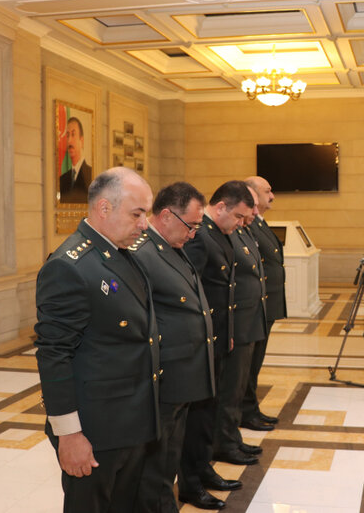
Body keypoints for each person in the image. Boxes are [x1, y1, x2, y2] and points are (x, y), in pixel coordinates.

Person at [34, 167, 159, 513]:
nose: (144, 224)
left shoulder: (120, 255)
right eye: (137, 214)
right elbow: (54, 354)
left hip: (130, 421)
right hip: (95, 430)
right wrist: (69, 435)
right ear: (104, 209)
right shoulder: (70, 266)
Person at [129, 182, 223, 512]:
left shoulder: (171, 246)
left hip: (183, 376)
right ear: (167, 216)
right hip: (165, 376)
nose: (195, 233)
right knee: (156, 464)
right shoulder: (142, 253)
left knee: (170, 456)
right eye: (192, 225)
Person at [178, 181, 255, 504]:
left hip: (220, 337)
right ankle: (191, 480)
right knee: (197, 415)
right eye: (237, 216)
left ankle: (203, 467)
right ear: (220, 206)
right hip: (202, 342)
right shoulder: (201, 237)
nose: (240, 224)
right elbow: (188, 290)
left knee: (209, 410)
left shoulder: (218, 234)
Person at [218, 185, 270, 460]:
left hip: (249, 320)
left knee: (239, 385)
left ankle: (232, 437)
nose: (251, 212)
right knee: (229, 389)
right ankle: (225, 441)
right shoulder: (220, 233)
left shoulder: (241, 230)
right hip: (235, 323)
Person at [242, 176, 284, 428]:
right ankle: (247, 411)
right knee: (249, 364)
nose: (273, 195)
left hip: (266, 305)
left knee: (255, 362)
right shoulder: (248, 225)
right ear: (253, 195)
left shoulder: (258, 222)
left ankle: (250, 408)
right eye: (268, 191)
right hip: (257, 305)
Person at [59, 117, 93, 204]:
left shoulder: (92, 175)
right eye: (67, 135)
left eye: (73, 135)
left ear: (81, 141)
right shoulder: (62, 179)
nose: (69, 141)